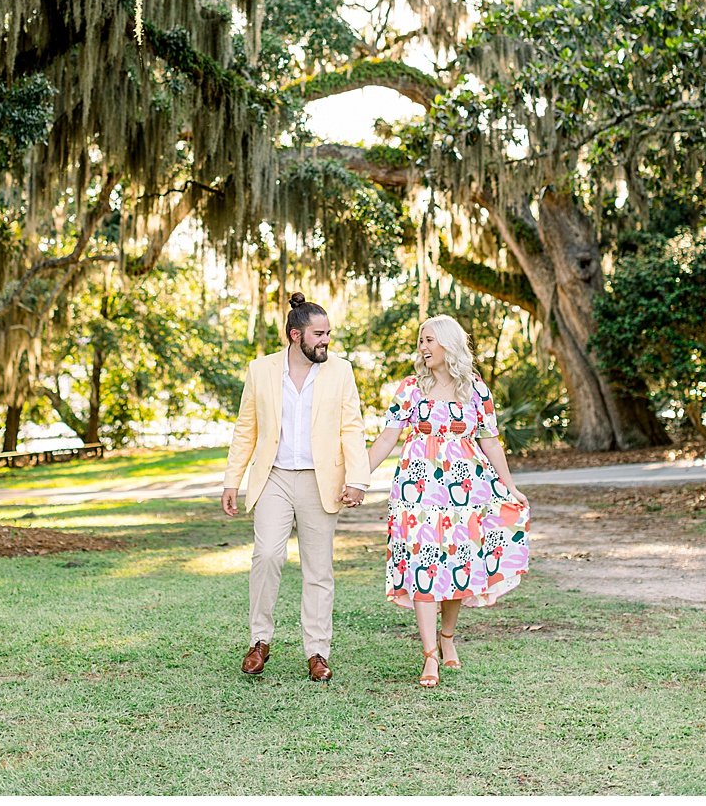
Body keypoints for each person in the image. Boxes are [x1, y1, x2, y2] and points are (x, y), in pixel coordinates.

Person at [366, 314, 529, 688]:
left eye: (429, 341)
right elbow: (387, 439)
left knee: (456, 563)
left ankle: (448, 637)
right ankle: (429, 656)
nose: (423, 347)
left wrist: (511, 487)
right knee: (423, 565)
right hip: (415, 493)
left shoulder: (475, 390)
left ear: (448, 344)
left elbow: (490, 441)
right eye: (420, 341)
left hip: (466, 491)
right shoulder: (410, 388)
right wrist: (358, 478)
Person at [221, 293, 370, 682]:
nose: (326, 341)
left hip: (322, 481)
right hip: (273, 478)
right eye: (319, 334)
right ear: (294, 335)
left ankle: (317, 652)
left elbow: (351, 426)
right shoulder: (262, 370)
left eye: (328, 334)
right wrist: (232, 481)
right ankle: (259, 641)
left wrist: (357, 479)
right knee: (267, 556)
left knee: (318, 570)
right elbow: (245, 429)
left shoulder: (341, 370)